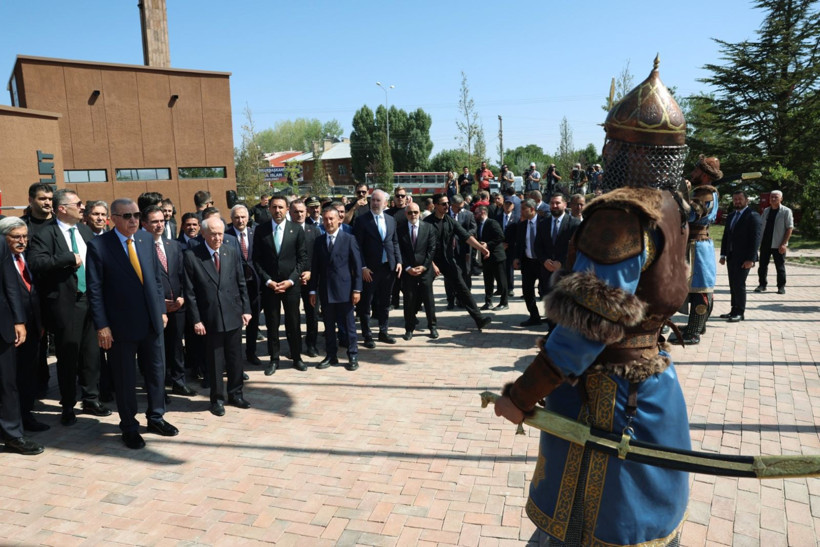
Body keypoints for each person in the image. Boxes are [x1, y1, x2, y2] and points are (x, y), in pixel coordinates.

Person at [494, 58, 694, 545]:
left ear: (622, 148)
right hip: (652, 382)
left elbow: (590, 324)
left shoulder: (620, 217)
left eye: (612, 142)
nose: (605, 151)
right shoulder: (673, 206)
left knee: (588, 529)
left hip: (608, 399)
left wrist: (522, 394)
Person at [86, 198, 178, 449]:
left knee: (157, 373)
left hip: (152, 322)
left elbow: (156, 280)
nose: (133, 220)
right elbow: (94, 290)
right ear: (113, 218)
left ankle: (156, 417)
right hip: (120, 326)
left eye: (136, 215)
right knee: (125, 379)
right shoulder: (98, 246)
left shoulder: (147, 239)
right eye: (127, 216)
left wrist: (161, 310)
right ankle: (129, 426)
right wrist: (102, 326)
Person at [28, 189, 109, 425]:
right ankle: (68, 404)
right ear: (62, 208)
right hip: (66, 304)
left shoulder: (85, 231)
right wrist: (67, 258)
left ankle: (91, 398)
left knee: (92, 353)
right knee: (68, 355)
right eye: (78, 204)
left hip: (91, 300)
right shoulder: (45, 234)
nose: (82, 207)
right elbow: (37, 262)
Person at [183, 217, 252, 416]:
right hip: (209, 318)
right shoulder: (192, 256)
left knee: (235, 358)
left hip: (233, 314)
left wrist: (246, 309)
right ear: (203, 234)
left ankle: (236, 394)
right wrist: (196, 319)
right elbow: (190, 292)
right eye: (213, 233)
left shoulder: (231, 251)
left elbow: (241, 283)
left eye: (220, 233)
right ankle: (217, 399)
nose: (217, 237)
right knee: (214, 361)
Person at [0, 217, 48, 432]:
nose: (22, 241)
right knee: (9, 378)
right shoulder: (3, 261)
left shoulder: (28, 258)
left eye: (25, 237)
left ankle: (26, 415)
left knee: (28, 374)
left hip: (33, 326)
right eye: (16, 237)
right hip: (9, 329)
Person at [141, 206, 195, 397]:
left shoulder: (173, 246)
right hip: (155, 308)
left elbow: (182, 275)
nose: (159, 225)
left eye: (162, 221)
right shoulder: (140, 247)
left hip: (177, 305)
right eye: (154, 222)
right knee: (156, 349)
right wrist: (159, 303)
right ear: (144, 224)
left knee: (176, 346)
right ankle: (157, 386)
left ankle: (179, 381)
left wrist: (181, 297)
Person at [669, 155, 722, 345]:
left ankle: (694, 332)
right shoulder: (704, 191)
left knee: (700, 288)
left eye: (698, 169)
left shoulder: (705, 194)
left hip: (697, 246)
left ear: (706, 175)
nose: (693, 172)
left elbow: (691, 214)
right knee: (698, 287)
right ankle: (696, 325)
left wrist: (679, 195)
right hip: (698, 244)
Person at [252, 194, 308, 374]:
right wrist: (268, 281)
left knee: (293, 323)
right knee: (272, 323)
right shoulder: (261, 230)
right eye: (274, 207)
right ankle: (274, 359)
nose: (277, 210)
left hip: (291, 286)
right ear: (269, 209)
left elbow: (302, 259)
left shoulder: (296, 229)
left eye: (281, 207)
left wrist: (291, 280)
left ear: (287, 209)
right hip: (270, 287)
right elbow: (257, 260)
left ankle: (297, 357)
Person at [424, 193, 491, 331]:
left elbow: (466, 236)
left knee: (462, 287)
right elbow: (423, 247)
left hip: (448, 260)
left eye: (447, 203)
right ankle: (429, 324)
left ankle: (479, 319)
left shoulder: (450, 221)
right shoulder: (427, 223)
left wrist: (481, 249)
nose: (447, 206)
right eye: (443, 204)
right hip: (430, 261)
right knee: (424, 291)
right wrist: (432, 264)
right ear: (435, 205)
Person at [309, 205, 362, 371]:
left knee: (349, 326)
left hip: (345, 292)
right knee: (329, 327)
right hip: (325, 292)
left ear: (339, 219)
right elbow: (315, 268)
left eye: (331, 218)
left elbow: (357, 266)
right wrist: (312, 290)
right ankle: (331, 355)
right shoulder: (318, 241)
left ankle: (352, 355)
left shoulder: (349, 239)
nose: (328, 222)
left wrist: (357, 290)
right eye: (325, 219)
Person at [353, 189, 402, 348]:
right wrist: (363, 267)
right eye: (373, 200)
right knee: (366, 303)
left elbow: (394, 242)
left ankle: (383, 331)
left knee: (384, 302)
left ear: (386, 203)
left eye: (378, 200)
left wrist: (399, 261)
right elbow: (357, 246)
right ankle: (367, 335)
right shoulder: (362, 220)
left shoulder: (390, 220)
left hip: (388, 268)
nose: (374, 203)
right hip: (370, 270)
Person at [226, 204, 262, 365]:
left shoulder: (256, 233)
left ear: (248, 218)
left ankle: (251, 352)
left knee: (253, 321)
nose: (240, 220)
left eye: (243, 217)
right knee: (235, 323)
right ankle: (235, 358)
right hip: (234, 286)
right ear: (231, 219)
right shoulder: (226, 236)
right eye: (236, 217)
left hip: (254, 285)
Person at [396, 202, 438, 339]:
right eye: (409, 212)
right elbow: (399, 250)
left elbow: (431, 249)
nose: (413, 215)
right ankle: (409, 328)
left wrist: (425, 266)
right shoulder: (400, 229)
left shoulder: (429, 228)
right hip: (408, 271)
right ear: (405, 214)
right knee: (409, 300)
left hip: (425, 270)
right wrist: (407, 268)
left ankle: (432, 327)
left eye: (415, 212)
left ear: (419, 212)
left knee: (428, 299)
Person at [719, 190, 762, 321]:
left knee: (739, 284)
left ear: (746, 200)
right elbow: (726, 236)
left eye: (740, 199)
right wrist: (723, 254)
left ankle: (740, 312)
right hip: (731, 256)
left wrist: (751, 259)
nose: (737, 201)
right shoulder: (732, 215)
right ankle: (733, 310)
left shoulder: (753, 216)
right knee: (733, 284)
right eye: (735, 199)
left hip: (744, 258)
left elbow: (756, 239)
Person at [288, 199, 321, 358]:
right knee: (293, 316)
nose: (299, 214)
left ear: (306, 212)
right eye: (296, 211)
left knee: (312, 314)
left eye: (302, 211)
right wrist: (294, 276)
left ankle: (311, 345)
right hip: (292, 280)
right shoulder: (285, 231)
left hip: (311, 279)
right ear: (290, 213)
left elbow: (319, 256)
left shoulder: (314, 231)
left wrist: (310, 272)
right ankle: (295, 347)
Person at [755, 189, 793, 294]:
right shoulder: (766, 211)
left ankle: (781, 287)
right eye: (771, 197)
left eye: (776, 197)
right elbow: (760, 226)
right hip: (765, 243)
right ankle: (762, 285)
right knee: (762, 266)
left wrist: (784, 244)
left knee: (780, 267)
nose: (773, 199)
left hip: (779, 244)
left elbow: (789, 228)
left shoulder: (786, 211)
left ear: (781, 199)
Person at [513, 199, 543, 327]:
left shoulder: (544, 223)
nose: (521, 211)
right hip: (528, 263)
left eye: (524, 209)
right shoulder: (522, 225)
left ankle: (553, 319)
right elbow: (519, 244)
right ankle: (534, 316)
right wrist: (516, 258)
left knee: (547, 291)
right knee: (527, 291)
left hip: (543, 263)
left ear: (532, 209)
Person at [474, 205, 508, 311]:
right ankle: (488, 302)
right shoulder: (479, 225)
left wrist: (487, 244)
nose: (475, 215)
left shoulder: (492, 223)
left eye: (476, 213)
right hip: (486, 257)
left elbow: (500, 237)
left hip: (497, 256)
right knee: (488, 281)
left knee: (501, 281)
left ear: (483, 212)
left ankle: (504, 302)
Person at [445, 195, 476, 307]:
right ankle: (450, 300)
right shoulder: (445, 215)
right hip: (448, 250)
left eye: (462, 207)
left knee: (465, 275)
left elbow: (473, 228)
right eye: (458, 207)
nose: (461, 209)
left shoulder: (468, 214)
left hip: (464, 250)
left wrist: (464, 235)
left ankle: (463, 300)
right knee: (449, 276)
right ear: (452, 206)